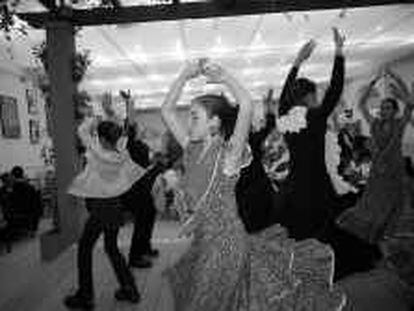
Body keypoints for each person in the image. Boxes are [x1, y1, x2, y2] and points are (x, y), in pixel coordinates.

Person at [160, 59, 345, 311]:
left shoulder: (229, 155)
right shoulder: (190, 150)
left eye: (194, 116)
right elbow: (166, 111)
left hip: (226, 246)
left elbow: (245, 105)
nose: (188, 122)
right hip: (205, 242)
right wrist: (183, 75)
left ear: (214, 123)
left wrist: (225, 76)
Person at [64, 117, 144, 309]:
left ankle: (85, 296)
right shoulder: (122, 152)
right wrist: (110, 116)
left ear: (102, 139)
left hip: (101, 209)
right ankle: (130, 289)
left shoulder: (96, 151)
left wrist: (94, 118)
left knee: (84, 248)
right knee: (112, 248)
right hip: (115, 207)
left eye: (99, 136)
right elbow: (123, 133)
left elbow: (83, 130)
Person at [277, 28, 345, 240]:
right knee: (320, 231)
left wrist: (297, 62)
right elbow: (335, 88)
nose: (317, 99)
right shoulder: (316, 118)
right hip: (317, 183)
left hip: (294, 184)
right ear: (308, 96)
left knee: (296, 231)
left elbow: (283, 98)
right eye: (315, 95)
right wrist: (339, 52)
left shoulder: (285, 118)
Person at [337, 67, 414, 244]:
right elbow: (362, 104)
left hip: (394, 166)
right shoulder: (375, 124)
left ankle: (391, 228)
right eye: (382, 107)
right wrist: (373, 82)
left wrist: (396, 77)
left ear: (394, 111)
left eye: (388, 108)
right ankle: (374, 225)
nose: (383, 110)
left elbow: (409, 103)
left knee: (395, 198)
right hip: (378, 167)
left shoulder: (399, 123)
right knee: (374, 197)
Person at [120, 94, 165, 269]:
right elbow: (130, 123)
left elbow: (144, 163)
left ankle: (145, 248)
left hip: (145, 188)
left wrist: (154, 163)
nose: (138, 128)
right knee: (142, 222)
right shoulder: (129, 143)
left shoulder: (139, 144)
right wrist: (129, 104)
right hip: (136, 191)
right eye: (135, 127)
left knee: (149, 219)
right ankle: (135, 257)